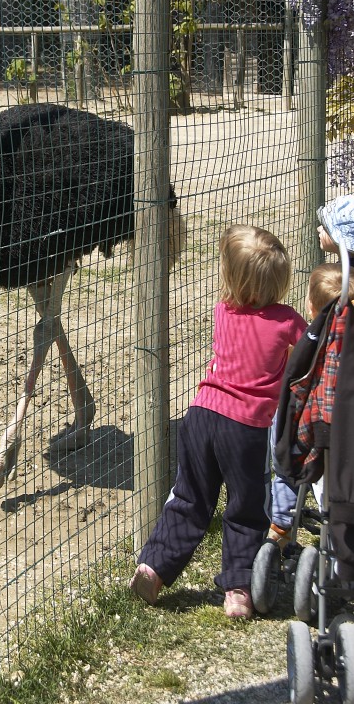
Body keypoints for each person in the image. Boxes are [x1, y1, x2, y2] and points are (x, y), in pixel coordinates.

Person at [129, 224, 307, 619]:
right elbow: (312, 347)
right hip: (245, 429)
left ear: (231, 277)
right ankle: (239, 588)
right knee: (246, 508)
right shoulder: (286, 320)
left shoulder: (222, 311)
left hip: (200, 416)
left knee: (189, 497)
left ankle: (154, 568)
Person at [268, 195, 354, 546]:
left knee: (285, 438)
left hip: (322, 428)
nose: (319, 230)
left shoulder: (333, 323)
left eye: (327, 227)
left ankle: (279, 523)